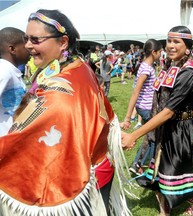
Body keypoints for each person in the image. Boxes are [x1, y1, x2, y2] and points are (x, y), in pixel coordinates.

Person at [0, 9, 130, 216]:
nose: (27, 45)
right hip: (97, 169)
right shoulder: (78, 66)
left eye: (35, 39)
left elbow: (26, 146)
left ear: (63, 42)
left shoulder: (58, 94)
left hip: (82, 181)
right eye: (26, 39)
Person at [122, 26, 193, 216]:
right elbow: (181, 99)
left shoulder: (189, 73)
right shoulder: (169, 67)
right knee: (161, 168)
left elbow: (169, 110)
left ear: (187, 47)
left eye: (176, 42)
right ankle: (165, 210)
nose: (170, 45)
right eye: (169, 41)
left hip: (182, 130)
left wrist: (134, 135)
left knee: (176, 169)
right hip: (166, 126)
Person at [122, 39, 162, 176]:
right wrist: (128, 117)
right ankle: (139, 163)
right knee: (154, 138)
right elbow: (136, 92)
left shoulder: (146, 66)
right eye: (160, 52)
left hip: (145, 107)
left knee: (151, 136)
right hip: (146, 108)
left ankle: (140, 163)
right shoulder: (146, 69)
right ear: (153, 52)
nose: (161, 54)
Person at [0, 27, 30, 137]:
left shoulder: (12, 71)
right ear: (12, 49)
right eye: (25, 46)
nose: (30, 49)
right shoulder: (4, 70)